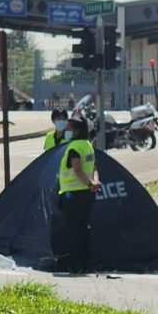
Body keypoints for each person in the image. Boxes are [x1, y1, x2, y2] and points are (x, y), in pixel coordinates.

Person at [56, 117, 100, 273]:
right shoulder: (88, 145)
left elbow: (77, 169)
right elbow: (94, 167)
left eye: (69, 128)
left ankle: (76, 265)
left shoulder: (74, 147)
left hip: (74, 195)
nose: (66, 131)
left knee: (74, 231)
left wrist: (90, 183)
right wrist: (94, 182)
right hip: (87, 194)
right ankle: (88, 264)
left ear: (77, 130)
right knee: (84, 229)